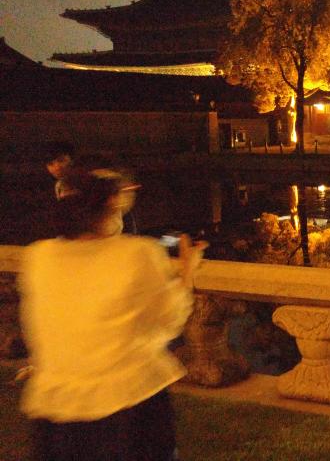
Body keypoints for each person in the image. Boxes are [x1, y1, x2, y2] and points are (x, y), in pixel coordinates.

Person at [19, 168, 203, 460]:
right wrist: (187, 271)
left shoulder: (39, 256)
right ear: (113, 204)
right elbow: (170, 320)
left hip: (56, 405)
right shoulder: (136, 253)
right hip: (128, 402)